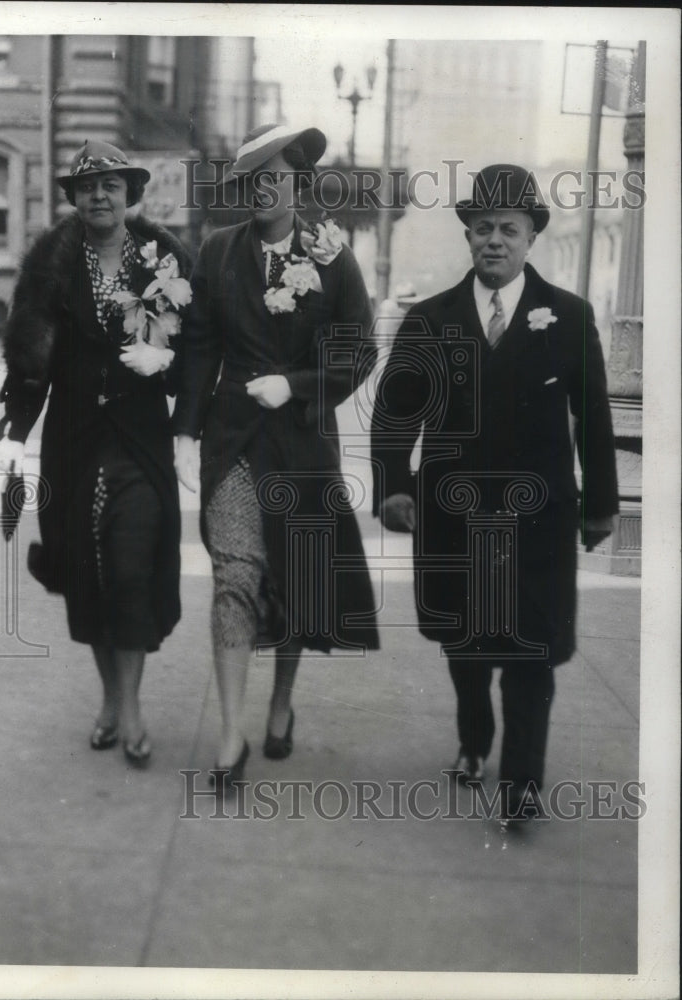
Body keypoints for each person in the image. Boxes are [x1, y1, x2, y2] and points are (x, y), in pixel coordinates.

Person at [371, 163, 619, 823]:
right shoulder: (429, 319)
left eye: (507, 229)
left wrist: (599, 506)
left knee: (530, 653)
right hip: (451, 516)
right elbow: (395, 412)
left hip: (537, 519)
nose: (493, 242)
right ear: (468, 235)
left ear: (530, 236)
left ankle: (521, 785)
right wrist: (394, 488)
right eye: (481, 228)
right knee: (468, 647)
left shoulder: (568, 318)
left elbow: (593, 417)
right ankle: (473, 740)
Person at [174, 123, 379, 791]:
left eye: (274, 177)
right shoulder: (216, 252)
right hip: (232, 438)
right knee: (236, 572)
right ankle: (231, 734)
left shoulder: (331, 258)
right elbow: (199, 345)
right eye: (250, 179)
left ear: (297, 184)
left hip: (301, 442)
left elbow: (357, 351)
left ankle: (281, 701)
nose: (261, 189)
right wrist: (185, 429)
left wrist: (293, 384)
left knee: (294, 575)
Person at [0, 140, 190, 768]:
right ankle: (109, 699)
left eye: (110, 185)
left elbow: (203, 344)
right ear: (74, 198)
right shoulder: (51, 263)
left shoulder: (166, 258)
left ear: (131, 193)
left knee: (129, 567)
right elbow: (30, 361)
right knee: (89, 575)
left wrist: (170, 364)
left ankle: (129, 707)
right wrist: (14, 435)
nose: (98, 196)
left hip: (139, 440)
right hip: (73, 442)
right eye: (87, 187)